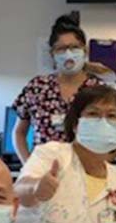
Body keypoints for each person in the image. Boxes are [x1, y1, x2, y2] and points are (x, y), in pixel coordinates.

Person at [13, 85, 116, 223]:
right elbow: (17, 192)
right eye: (93, 114)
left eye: (112, 116)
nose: (102, 122)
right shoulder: (52, 155)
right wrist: (36, 188)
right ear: (75, 124)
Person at [12, 15, 110, 163]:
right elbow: (19, 133)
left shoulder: (99, 90)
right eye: (61, 49)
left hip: (84, 172)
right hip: (43, 172)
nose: (68, 53)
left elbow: (107, 137)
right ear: (52, 54)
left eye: (74, 47)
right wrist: (28, 166)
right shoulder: (37, 87)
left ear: (85, 50)